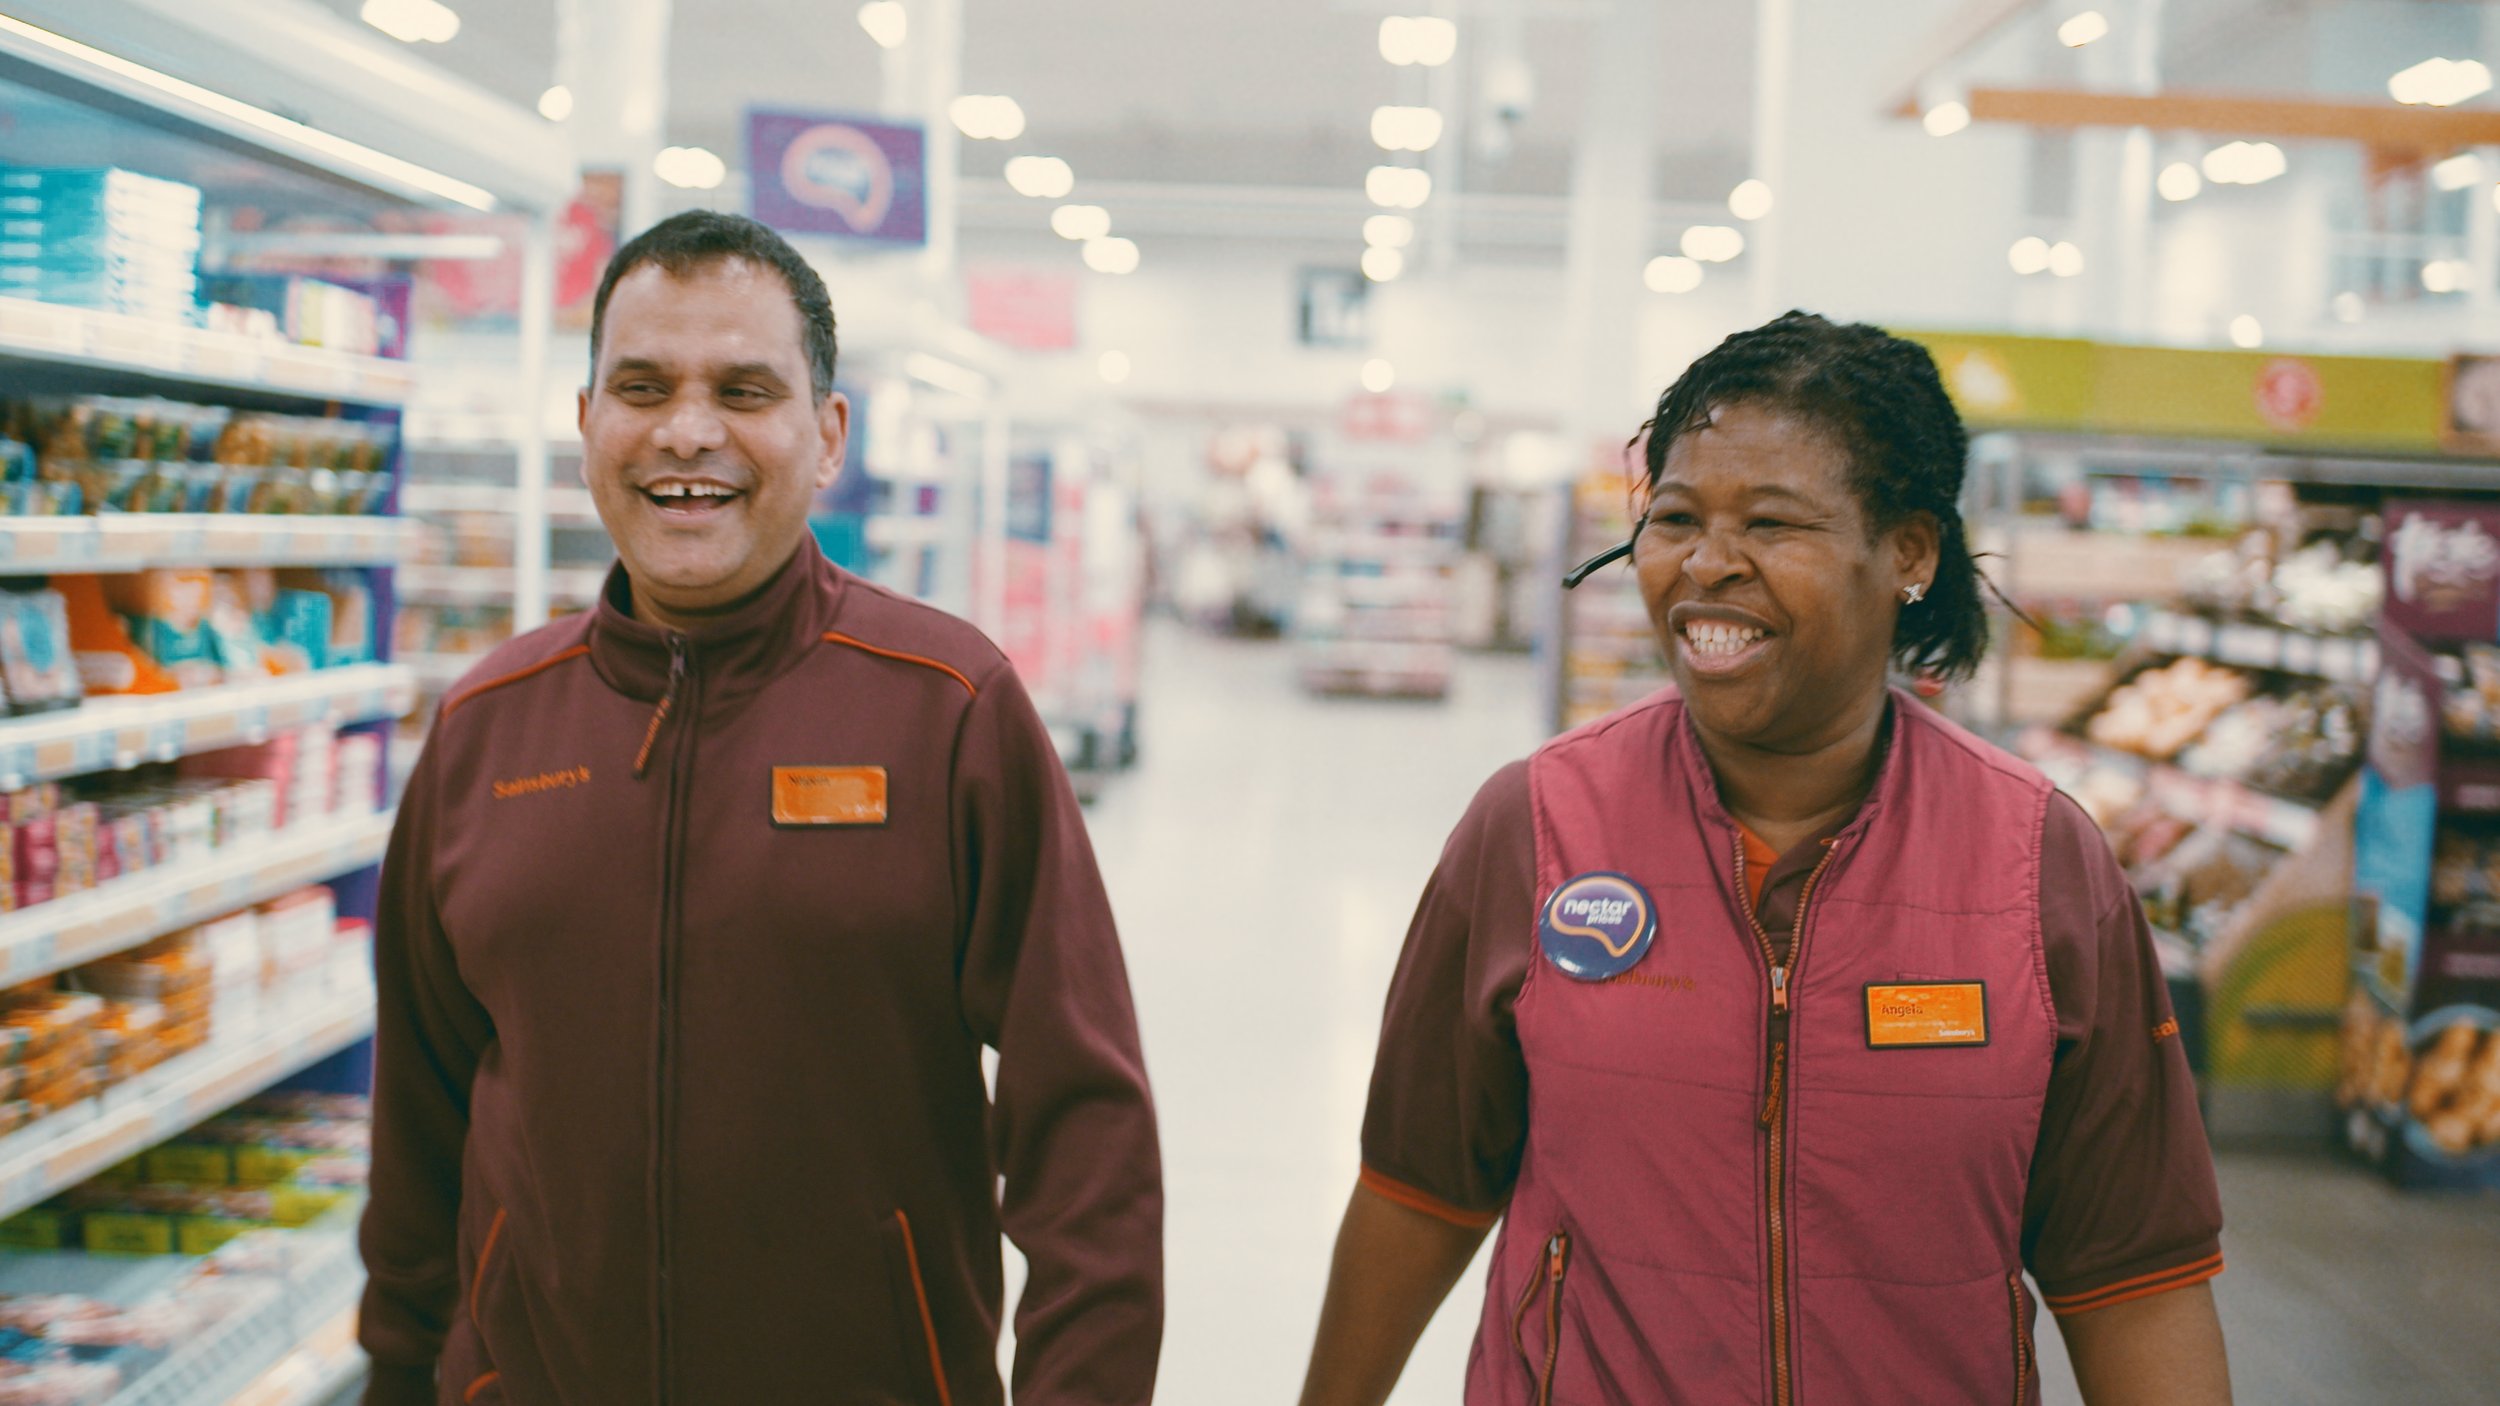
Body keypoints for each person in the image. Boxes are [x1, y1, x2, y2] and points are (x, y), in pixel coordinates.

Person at [1298, 312, 2232, 1405]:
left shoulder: (2037, 861)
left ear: (1908, 552)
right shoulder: (1538, 825)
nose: (1706, 563)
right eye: (1675, 517)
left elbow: (2134, 1275)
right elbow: (1417, 1190)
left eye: (1771, 522)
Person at [358, 211, 1162, 1405]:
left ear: (827, 434)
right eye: (642, 387)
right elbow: (420, 1106)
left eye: (743, 390)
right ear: (586, 421)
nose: (687, 431)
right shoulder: (489, 726)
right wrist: (399, 1364)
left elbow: (1086, 1123)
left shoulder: (946, 709)